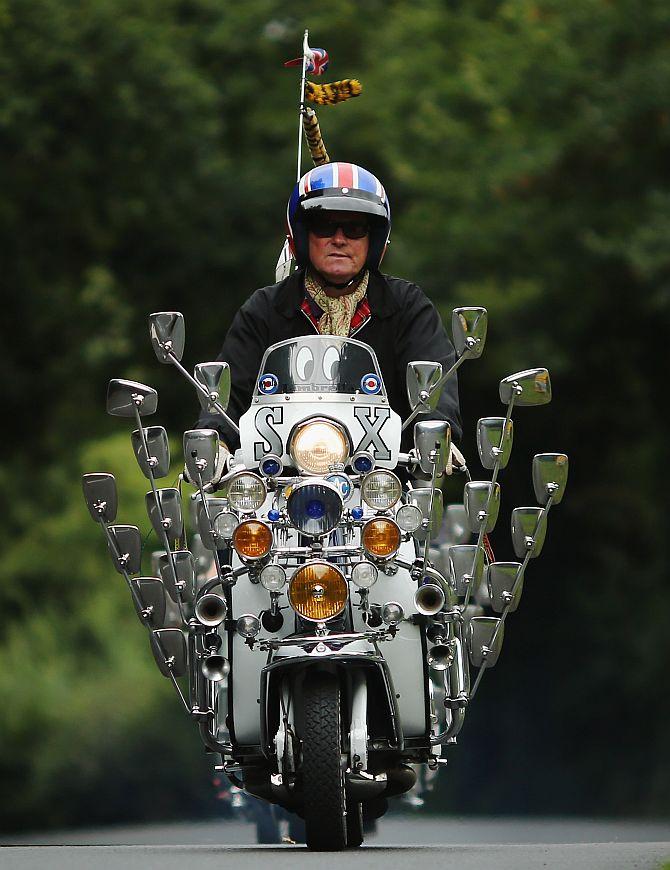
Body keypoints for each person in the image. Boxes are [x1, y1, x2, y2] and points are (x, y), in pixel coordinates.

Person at [197, 162, 462, 471]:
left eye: (355, 228)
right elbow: (231, 390)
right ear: (302, 235)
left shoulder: (406, 307)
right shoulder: (266, 308)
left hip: (383, 484)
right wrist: (216, 439)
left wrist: (437, 433)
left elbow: (434, 376)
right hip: (278, 481)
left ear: (373, 240)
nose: (340, 239)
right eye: (324, 226)